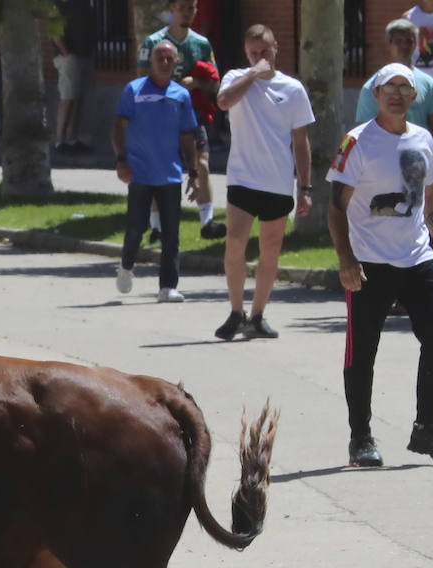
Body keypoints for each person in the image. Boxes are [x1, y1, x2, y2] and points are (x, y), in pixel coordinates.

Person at [327, 63, 433, 468]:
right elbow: (336, 208)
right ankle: (360, 438)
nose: (398, 94)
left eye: (406, 88)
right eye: (390, 87)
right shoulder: (357, 142)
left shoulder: (422, 139)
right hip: (369, 262)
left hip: (417, 258)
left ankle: (426, 428)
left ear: (415, 96)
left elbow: (432, 201)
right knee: (362, 352)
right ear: (375, 93)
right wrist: (346, 259)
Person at [212, 24, 314, 341]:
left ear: (276, 48)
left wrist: (306, 188)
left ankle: (257, 315)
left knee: (270, 250)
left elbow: (301, 142)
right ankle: (235, 311)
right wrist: (253, 73)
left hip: (278, 182)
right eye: (253, 52)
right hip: (243, 179)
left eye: (265, 51)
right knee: (235, 244)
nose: (260, 57)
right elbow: (224, 102)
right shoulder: (235, 79)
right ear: (247, 54)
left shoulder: (293, 89)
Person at [112, 39, 198, 303]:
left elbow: (187, 135)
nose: (164, 62)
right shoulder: (134, 90)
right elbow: (118, 126)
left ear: (176, 63)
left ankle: (167, 287)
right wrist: (122, 160)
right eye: (159, 57)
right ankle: (126, 266)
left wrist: (194, 171)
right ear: (151, 62)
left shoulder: (181, 95)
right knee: (136, 228)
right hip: (140, 173)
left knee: (171, 233)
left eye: (169, 58)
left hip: (170, 173)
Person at [138, 0, 225, 240]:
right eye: (183, 7)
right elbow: (141, 82)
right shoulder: (153, 43)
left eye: (192, 8)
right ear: (172, 9)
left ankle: (207, 223)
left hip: (192, 115)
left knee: (203, 164)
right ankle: (157, 227)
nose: (188, 12)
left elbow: (215, 84)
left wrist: (197, 83)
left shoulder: (201, 44)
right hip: (161, 116)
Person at [356, 18, 433, 193]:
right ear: (389, 44)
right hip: (382, 170)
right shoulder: (371, 88)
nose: (404, 46)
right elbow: (363, 134)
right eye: (398, 41)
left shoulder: (429, 85)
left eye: (409, 41)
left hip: (420, 167)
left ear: (415, 45)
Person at [51, 0, 96, 153]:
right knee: (67, 98)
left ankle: (72, 139)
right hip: (68, 57)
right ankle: (60, 140)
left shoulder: (85, 5)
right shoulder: (58, 4)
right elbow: (54, 31)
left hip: (84, 55)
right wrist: (66, 53)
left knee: (78, 100)